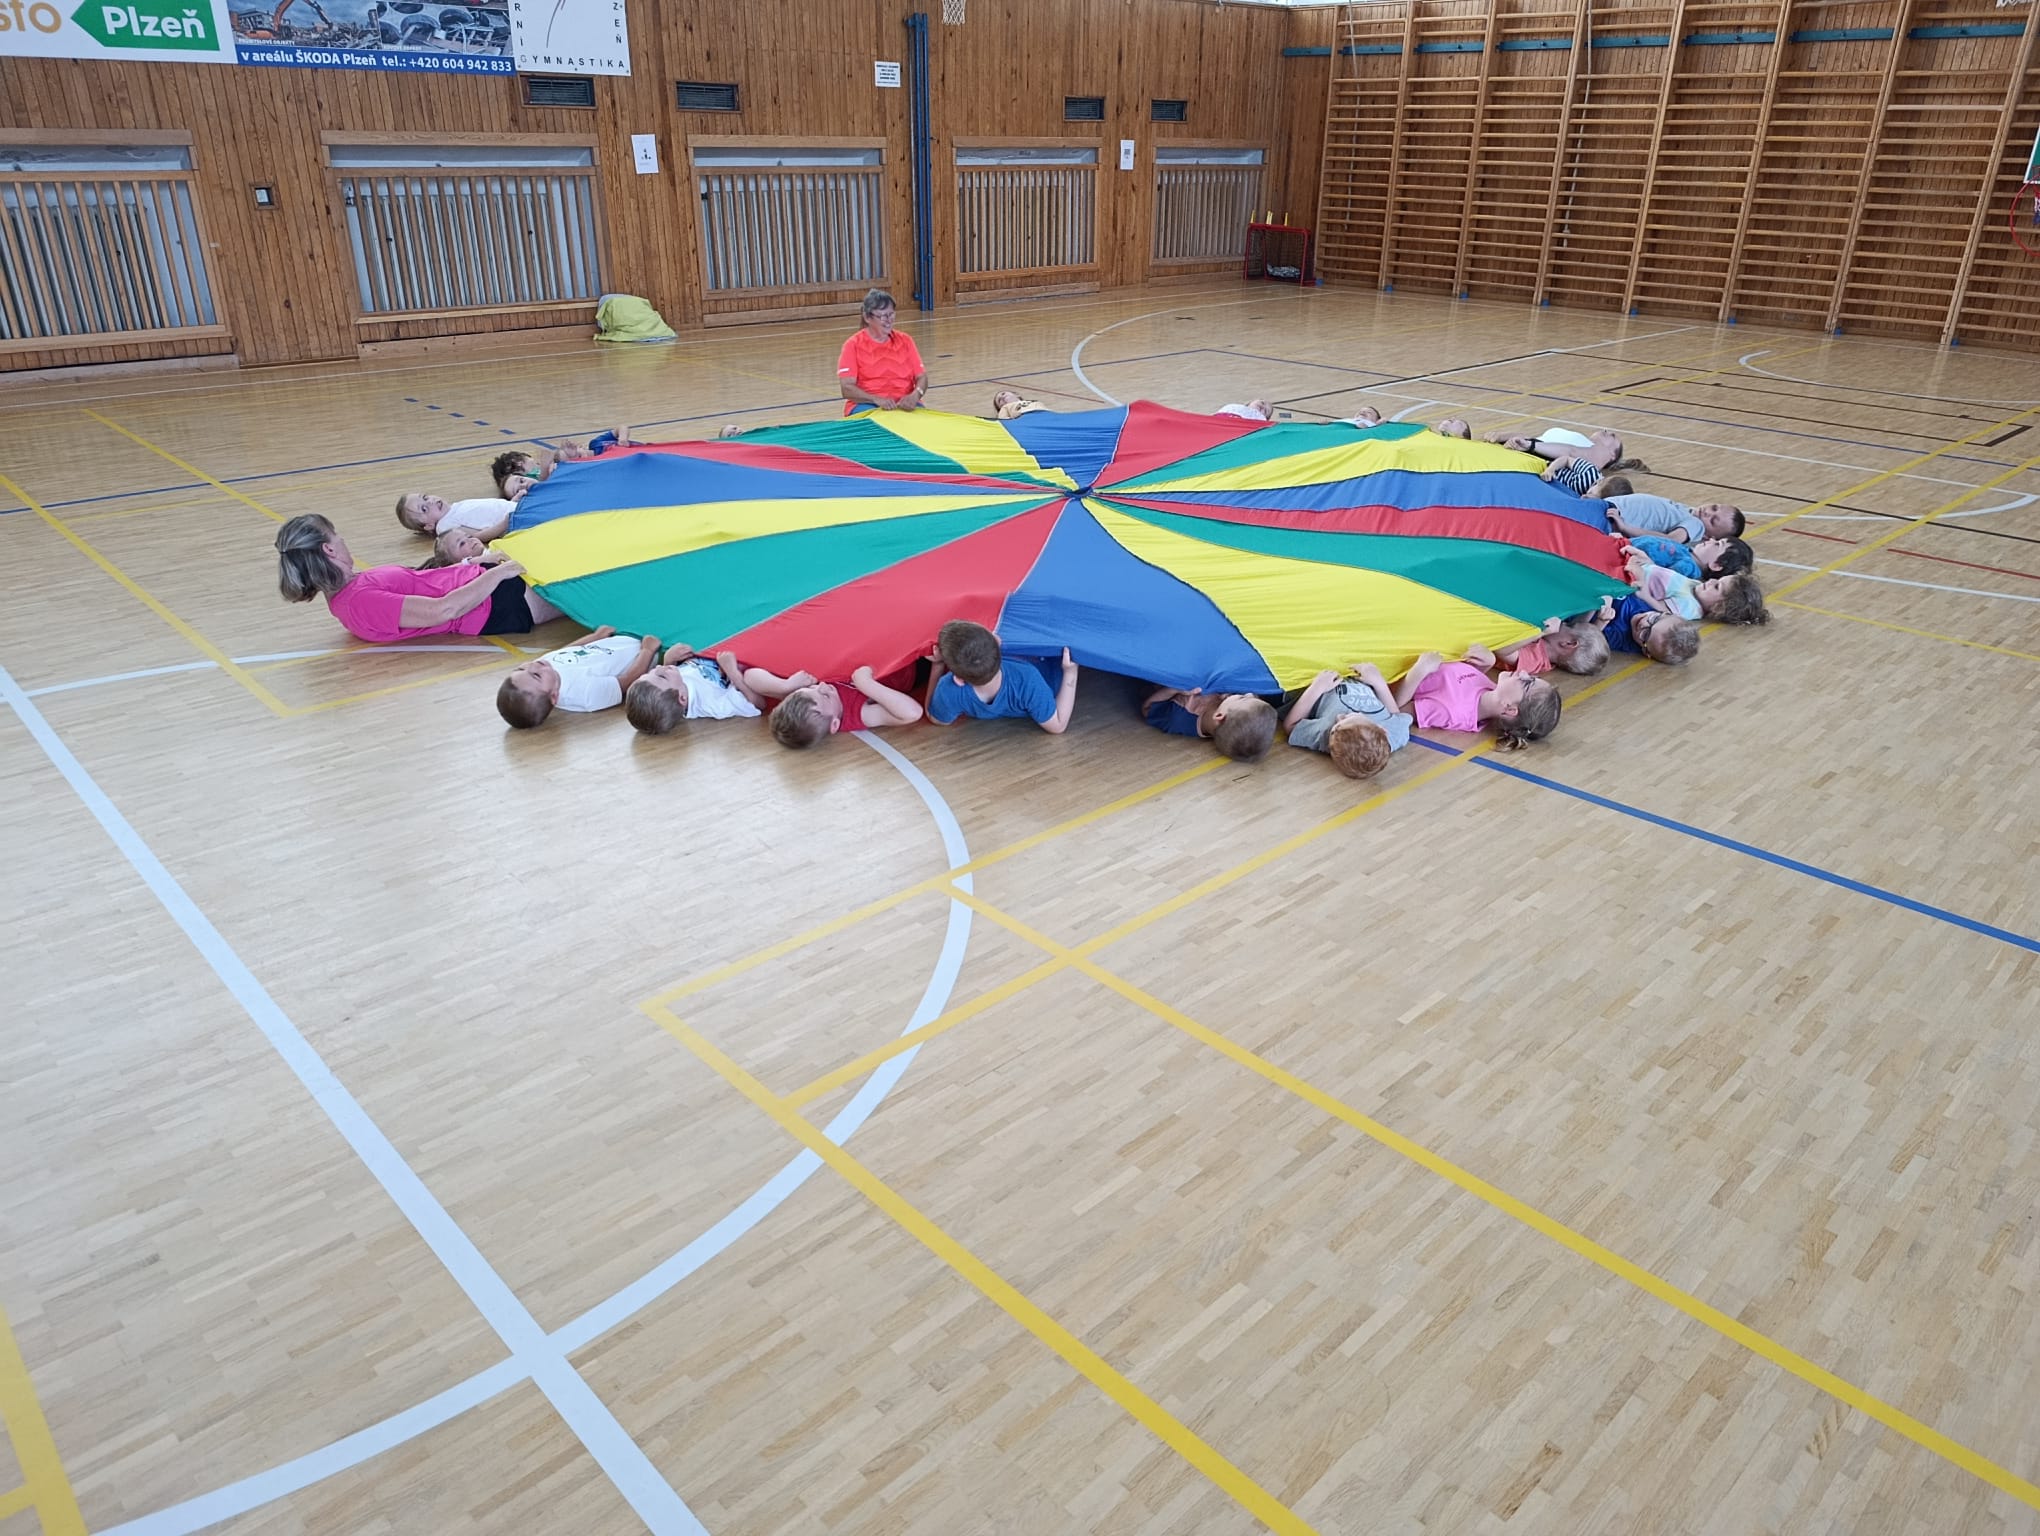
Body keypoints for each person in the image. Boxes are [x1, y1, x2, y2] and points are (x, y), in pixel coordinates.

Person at [275, 513, 559, 643]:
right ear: (328, 549)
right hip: (494, 603)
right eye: (337, 536)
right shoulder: (359, 602)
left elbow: (425, 582)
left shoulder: (351, 587)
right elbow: (443, 610)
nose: (343, 540)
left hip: (484, 583)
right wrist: (498, 574)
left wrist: (472, 563)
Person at [1393, 645, 1561, 750]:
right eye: (1531, 676)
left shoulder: (1452, 711)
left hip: (1393, 673)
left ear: (1510, 709)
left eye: (1526, 683)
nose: (1523, 672)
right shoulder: (1489, 690)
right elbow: (1460, 684)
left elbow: (1397, 711)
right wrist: (1486, 664)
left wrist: (1418, 672)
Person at [927, 620, 1077, 734]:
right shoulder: (1027, 679)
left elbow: (934, 717)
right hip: (1046, 669)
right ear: (998, 641)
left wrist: (937, 666)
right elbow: (1058, 725)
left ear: (959, 679)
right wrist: (1070, 672)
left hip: (1031, 677)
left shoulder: (949, 690)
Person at [496, 627, 660, 729]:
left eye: (521, 668)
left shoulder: (546, 668)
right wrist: (648, 650)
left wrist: (595, 636)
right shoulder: (585, 694)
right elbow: (628, 681)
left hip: (623, 638)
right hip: (645, 651)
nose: (532, 665)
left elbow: (565, 651)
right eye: (536, 675)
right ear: (554, 696)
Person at [743, 663, 925, 748]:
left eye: (813, 688)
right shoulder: (857, 714)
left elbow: (750, 676)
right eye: (825, 695)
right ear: (835, 724)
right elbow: (912, 713)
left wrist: (785, 686)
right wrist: (867, 684)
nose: (822, 685)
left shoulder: (804, 697)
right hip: (909, 665)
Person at [1282, 664, 1411, 779]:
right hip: (1359, 674)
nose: (1339, 717)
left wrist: (1317, 687)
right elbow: (1396, 716)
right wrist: (1379, 683)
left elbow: (1290, 725)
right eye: (1348, 717)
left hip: (1322, 677)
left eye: (1336, 725)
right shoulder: (1394, 736)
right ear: (1383, 729)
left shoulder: (1326, 734)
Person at [624, 646, 766, 736]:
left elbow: (668, 680)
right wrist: (733, 673)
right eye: (662, 676)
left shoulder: (675, 687)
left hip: (713, 649)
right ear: (682, 698)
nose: (658, 667)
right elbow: (758, 703)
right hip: (742, 657)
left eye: (650, 672)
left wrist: (669, 661)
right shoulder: (712, 705)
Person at [837, 289, 926, 415]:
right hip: (867, 405)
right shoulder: (852, 345)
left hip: (904, 404)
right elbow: (847, 388)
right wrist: (875, 399)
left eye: (891, 314)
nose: (889, 320)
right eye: (883, 316)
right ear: (867, 317)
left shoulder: (906, 341)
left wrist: (916, 395)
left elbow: (922, 377)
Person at [1138, 684, 1277, 762]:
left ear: (1219, 716)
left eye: (1242, 698)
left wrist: (1174, 689)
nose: (1249, 694)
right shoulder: (1228, 709)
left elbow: (1148, 709)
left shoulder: (1180, 718)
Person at [1607, 491, 1744, 544]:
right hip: (1611, 509)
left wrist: (1626, 528)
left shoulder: (1696, 525)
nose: (1707, 513)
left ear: (1708, 538)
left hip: (1612, 518)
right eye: (1713, 507)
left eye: (1713, 521)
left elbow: (1671, 540)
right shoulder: (1687, 512)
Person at [1601, 595, 1701, 663]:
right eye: (1654, 619)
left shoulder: (1618, 636)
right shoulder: (1650, 606)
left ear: (1646, 652)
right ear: (1665, 613)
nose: (1643, 623)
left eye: (1645, 634)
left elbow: (1593, 635)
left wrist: (1601, 621)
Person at [1496, 619, 1610, 677]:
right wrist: (1601, 620)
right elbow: (1580, 631)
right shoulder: (1551, 648)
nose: (1563, 622)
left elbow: (1501, 650)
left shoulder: (1535, 660)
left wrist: (1540, 633)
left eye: (1569, 625)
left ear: (1568, 644)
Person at [396, 492, 515, 540]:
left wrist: (513, 501)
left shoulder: (455, 507)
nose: (430, 502)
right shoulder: (445, 525)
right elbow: (479, 536)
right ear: (429, 525)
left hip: (516, 507)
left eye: (425, 497)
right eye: (424, 509)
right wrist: (505, 523)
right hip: (514, 522)